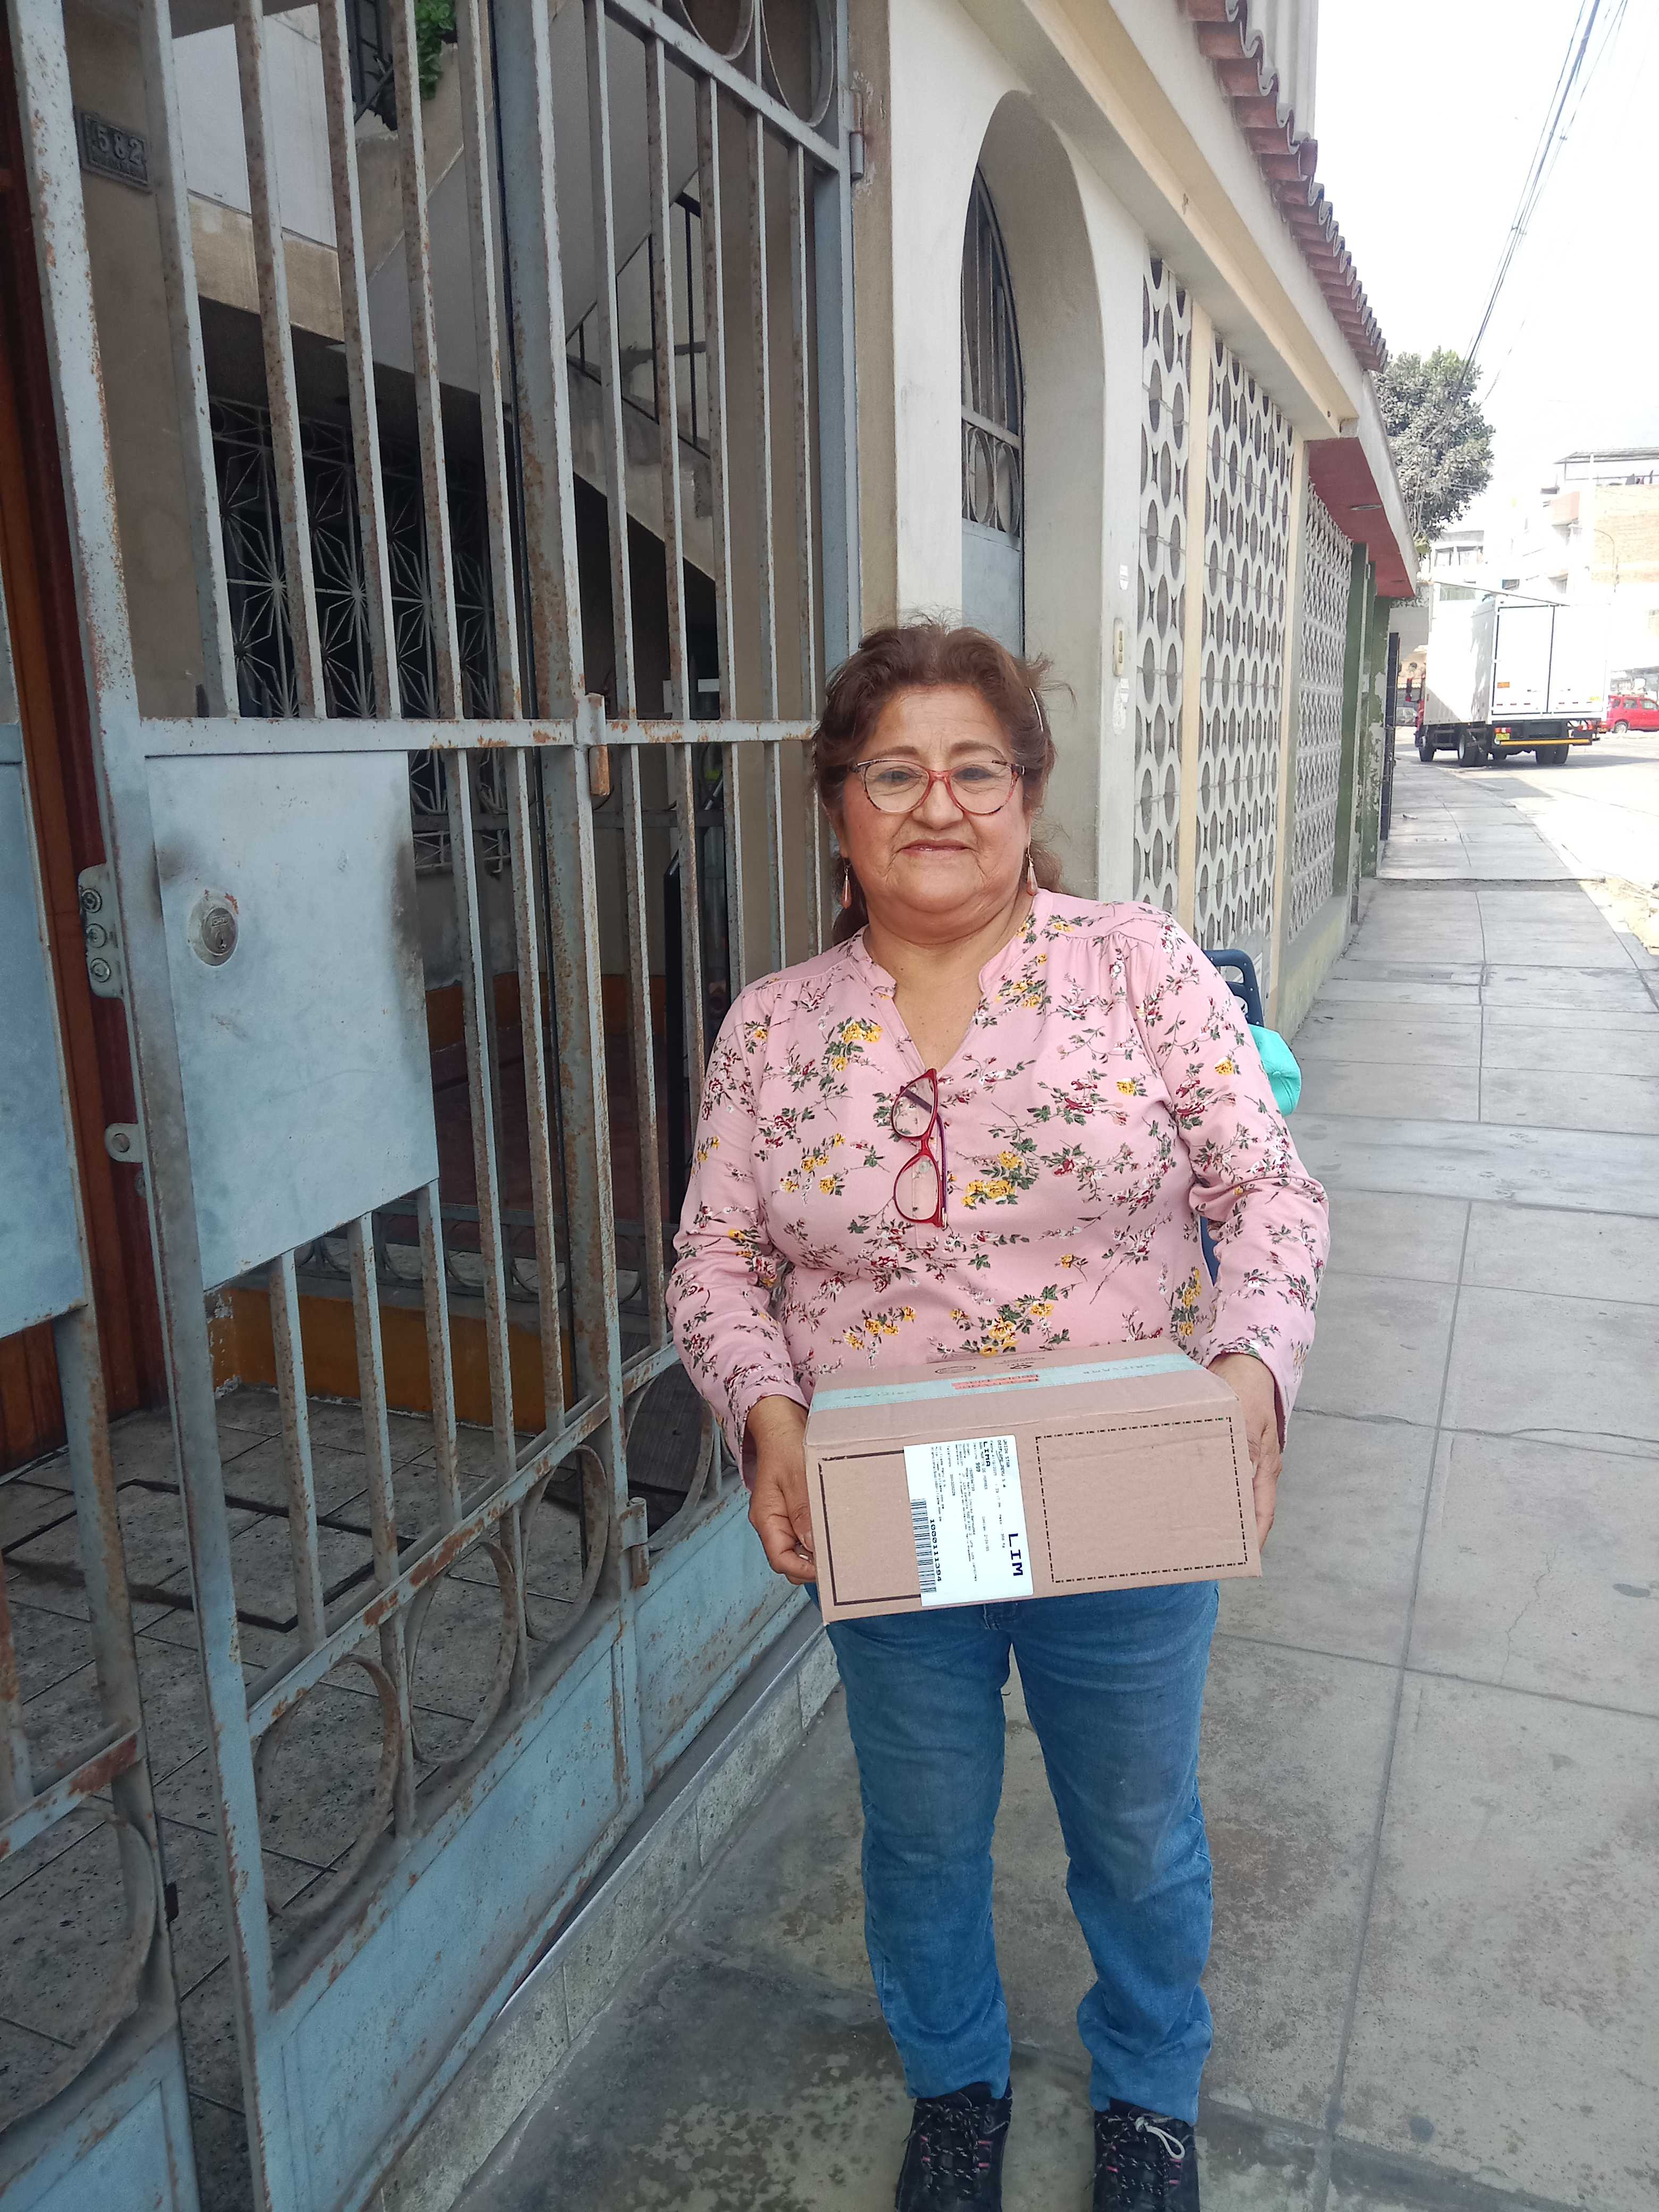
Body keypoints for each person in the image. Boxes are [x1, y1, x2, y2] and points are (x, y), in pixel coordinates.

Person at [666, 622, 1328, 2211]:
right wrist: (764, 1413)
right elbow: (716, 1256)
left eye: (976, 768)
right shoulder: (774, 1027)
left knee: (1137, 1826)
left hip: (1128, 1478)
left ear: (1028, 794)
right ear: (840, 806)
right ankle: (954, 2088)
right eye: (894, 772)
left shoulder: (1137, 967)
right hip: (894, 1500)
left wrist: (1252, 1369)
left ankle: (1150, 2095)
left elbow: (1266, 1189)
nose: (938, 804)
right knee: (922, 1834)